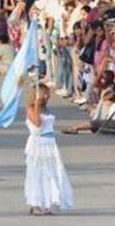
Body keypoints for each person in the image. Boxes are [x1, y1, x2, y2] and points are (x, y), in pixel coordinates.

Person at [24, 84, 73, 215]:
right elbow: (38, 124)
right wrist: (36, 105)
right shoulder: (31, 108)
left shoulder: (46, 109)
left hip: (50, 143)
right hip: (39, 144)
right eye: (45, 94)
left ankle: (47, 202)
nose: (48, 96)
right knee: (38, 172)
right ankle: (35, 203)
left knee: (51, 173)